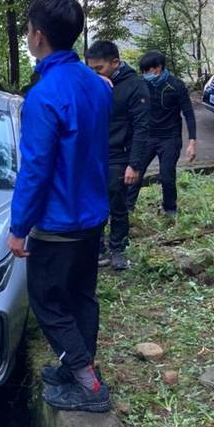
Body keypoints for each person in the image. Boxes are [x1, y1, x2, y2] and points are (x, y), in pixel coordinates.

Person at [8, 0, 113, 413]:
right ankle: (75, 367)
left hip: (58, 221)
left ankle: (88, 385)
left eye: (29, 30)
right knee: (81, 296)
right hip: (91, 216)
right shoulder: (96, 84)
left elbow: (35, 169)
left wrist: (19, 228)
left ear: (38, 36)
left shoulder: (45, 95)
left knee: (48, 302)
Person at [85, 40, 150, 271]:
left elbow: (142, 127)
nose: (94, 73)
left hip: (118, 154)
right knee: (93, 201)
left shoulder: (134, 85)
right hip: (93, 153)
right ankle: (97, 247)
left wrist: (134, 164)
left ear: (115, 62)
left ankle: (117, 248)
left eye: (98, 68)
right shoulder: (91, 83)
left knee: (116, 201)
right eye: (90, 69)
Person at [126, 50, 197, 216]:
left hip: (170, 138)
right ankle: (128, 209)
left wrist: (192, 142)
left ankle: (170, 209)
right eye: (142, 72)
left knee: (167, 176)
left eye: (147, 71)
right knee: (135, 172)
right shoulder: (142, 84)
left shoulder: (176, 85)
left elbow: (188, 113)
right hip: (148, 137)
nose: (144, 75)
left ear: (157, 68)